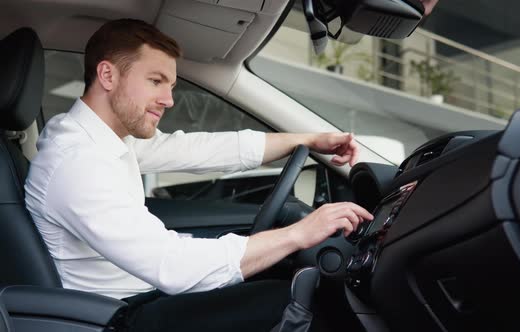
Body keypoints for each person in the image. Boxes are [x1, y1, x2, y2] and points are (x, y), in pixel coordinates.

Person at [25, 19, 373, 332]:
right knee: (299, 301)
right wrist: (299, 233)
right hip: (117, 318)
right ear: (107, 75)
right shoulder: (77, 163)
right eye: (156, 81)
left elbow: (199, 148)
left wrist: (305, 139)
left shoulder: (101, 137)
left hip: (143, 291)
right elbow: (174, 266)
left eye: (171, 86)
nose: (169, 99)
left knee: (283, 280)